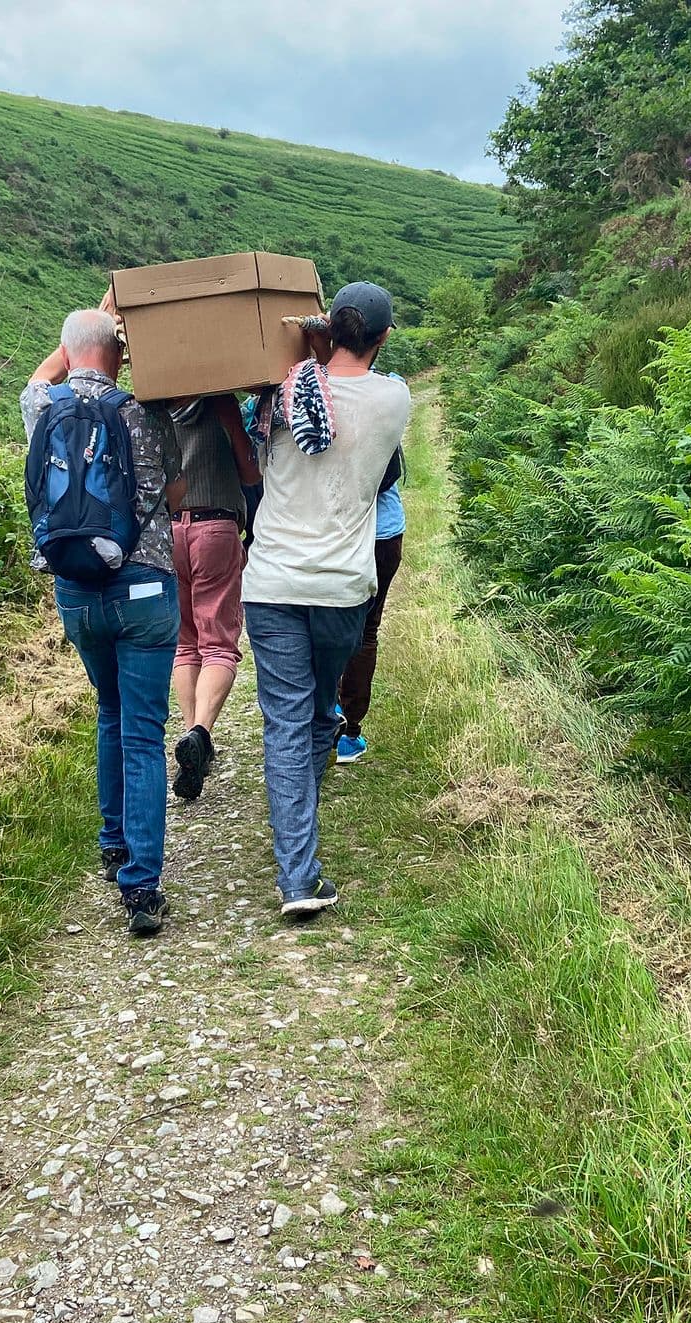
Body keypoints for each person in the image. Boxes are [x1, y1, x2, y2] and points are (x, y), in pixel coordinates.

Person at [242, 283, 411, 917]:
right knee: (317, 714)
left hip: (272, 585)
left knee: (288, 721)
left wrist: (307, 351)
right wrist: (324, 347)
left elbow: (298, 393)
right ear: (383, 338)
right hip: (342, 589)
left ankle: (297, 868)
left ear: (326, 331)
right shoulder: (394, 400)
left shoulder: (274, 399)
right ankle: (297, 860)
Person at [21, 309, 186, 935]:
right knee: (143, 732)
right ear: (120, 355)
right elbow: (173, 490)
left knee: (109, 711)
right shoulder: (144, 412)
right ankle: (141, 887)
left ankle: (113, 839)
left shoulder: (45, 408)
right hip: (143, 587)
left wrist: (87, 332)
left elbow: (42, 376)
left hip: (76, 591)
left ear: (68, 352)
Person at [168, 394, 260, 800]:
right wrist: (234, 425)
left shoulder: (153, 401)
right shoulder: (220, 400)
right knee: (219, 645)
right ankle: (200, 731)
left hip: (169, 531)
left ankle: (192, 739)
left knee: (185, 644)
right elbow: (251, 474)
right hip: (216, 527)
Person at [335, 437, 406, 763]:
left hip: (338, 531)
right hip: (384, 532)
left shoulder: (314, 394)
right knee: (366, 630)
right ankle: (350, 732)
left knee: (328, 622)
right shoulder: (387, 391)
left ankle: (326, 710)